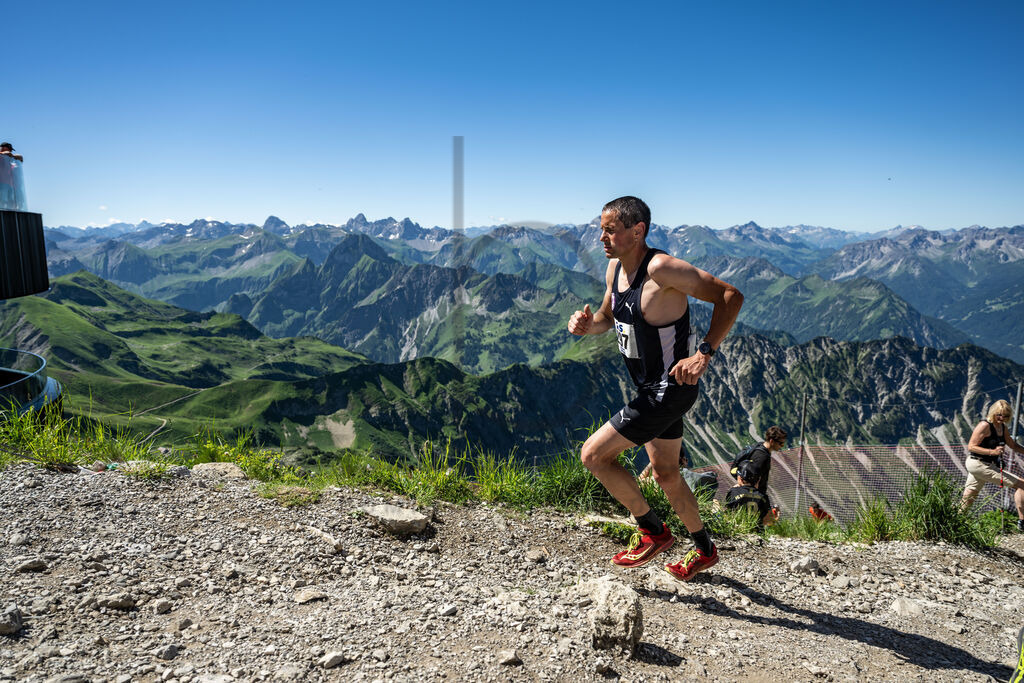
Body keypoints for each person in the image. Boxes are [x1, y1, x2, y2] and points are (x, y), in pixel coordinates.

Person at [567, 196, 743, 581]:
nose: (602, 238)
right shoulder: (615, 270)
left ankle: (653, 531)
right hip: (651, 389)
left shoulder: (662, 269)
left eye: (610, 230)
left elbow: (730, 296)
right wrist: (586, 325)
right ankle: (704, 551)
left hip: (669, 390)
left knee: (594, 456)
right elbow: (607, 318)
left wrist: (704, 353)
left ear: (638, 231)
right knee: (665, 473)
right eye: (601, 229)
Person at [960, 400, 1024, 531]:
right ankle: (1022, 522)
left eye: (1006, 416)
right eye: (999, 415)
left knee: (970, 495)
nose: (1002, 418)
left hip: (986, 464)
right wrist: (992, 452)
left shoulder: (1003, 428)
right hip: (977, 463)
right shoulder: (984, 425)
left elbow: (1013, 445)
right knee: (1022, 485)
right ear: (993, 413)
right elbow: (971, 446)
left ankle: (955, 521)